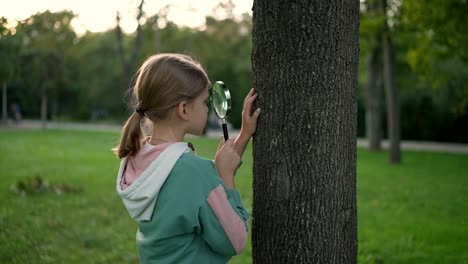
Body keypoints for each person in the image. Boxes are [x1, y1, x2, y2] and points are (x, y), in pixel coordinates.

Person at [113, 53, 261, 263]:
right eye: (203, 102)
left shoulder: (137, 158)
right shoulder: (193, 172)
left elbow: (201, 186)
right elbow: (234, 240)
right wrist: (227, 175)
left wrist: (245, 135)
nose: (207, 108)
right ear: (183, 109)